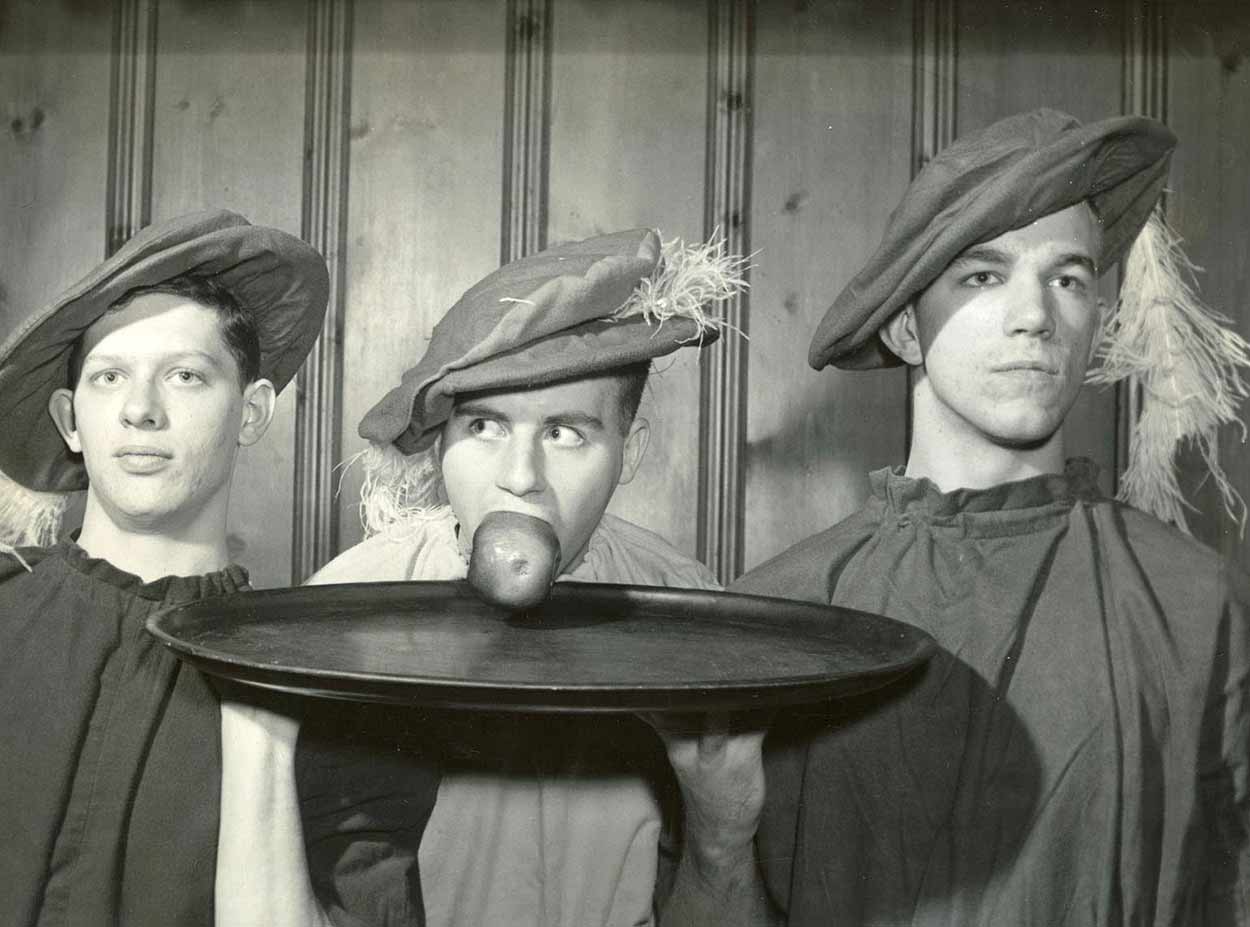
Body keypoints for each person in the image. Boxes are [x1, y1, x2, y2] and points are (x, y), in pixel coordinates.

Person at [713, 108, 1250, 925]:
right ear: (903, 326)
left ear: (1098, 321)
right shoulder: (777, 617)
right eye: (984, 275)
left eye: (1068, 278)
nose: (1035, 313)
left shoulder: (1197, 606)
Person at [216, 227, 766, 927]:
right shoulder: (343, 613)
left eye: (566, 433)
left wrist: (725, 830)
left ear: (629, 451)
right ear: (441, 442)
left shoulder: (690, 613)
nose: (520, 478)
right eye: (485, 427)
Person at [0, 210, 329, 927]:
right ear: (69, 421)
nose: (140, 410)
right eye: (110, 375)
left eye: (185, 375)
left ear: (251, 412)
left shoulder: (321, 681)